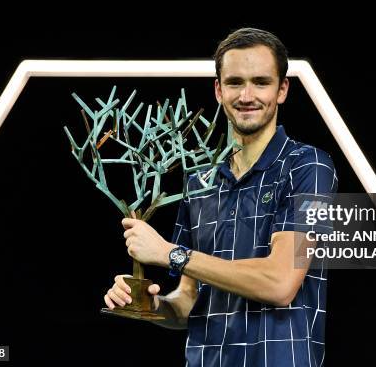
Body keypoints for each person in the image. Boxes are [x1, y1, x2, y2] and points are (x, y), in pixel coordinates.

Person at [104, 27, 338, 366]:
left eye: (261, 82)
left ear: (282, 89)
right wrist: (150, 304)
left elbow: (281, 282)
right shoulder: (199, 179)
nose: (247, 95)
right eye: (234, 82)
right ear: (218, 89)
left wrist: (171, 253)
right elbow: (188, 301)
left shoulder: (309, 167)